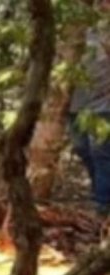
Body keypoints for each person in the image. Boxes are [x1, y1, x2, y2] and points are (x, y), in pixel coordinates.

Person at [69, 24, 110, 221]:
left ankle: (102, 205)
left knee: (100, 153)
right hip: (74, 103)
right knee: (82, 149)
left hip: (103, 104)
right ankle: (99, 192)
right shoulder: (73, 28)